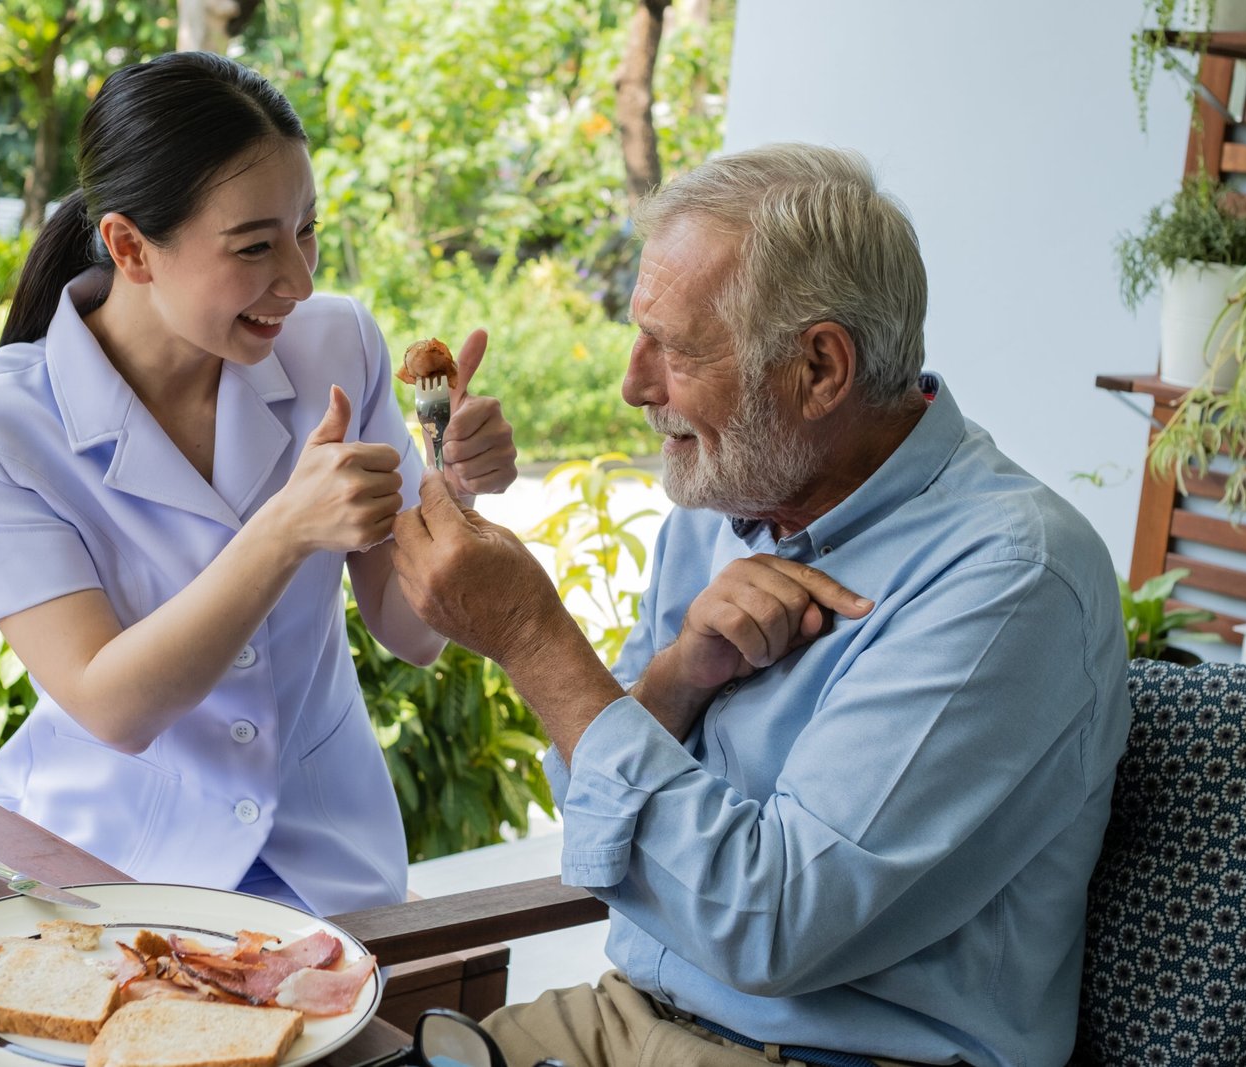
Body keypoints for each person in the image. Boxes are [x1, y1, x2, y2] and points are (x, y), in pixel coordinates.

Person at [390, 143, 1131, 1067]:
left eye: (675, 349)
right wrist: (676, 679)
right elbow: (592, 806)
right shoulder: (723, 502)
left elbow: (772, 926)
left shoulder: (1011, 579)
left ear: (820, 367)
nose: (634, 384)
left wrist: (532, 639)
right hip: (625, 1014)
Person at [0, 51, 517, 917]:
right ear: (131, 247)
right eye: (256, 246)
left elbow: (410, 634)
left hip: (321, 863)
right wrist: (284, 530)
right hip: (102, 861)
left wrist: (449, 488)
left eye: (306, 229)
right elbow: (111, 706)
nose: (300, 280)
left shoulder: (336, 345)